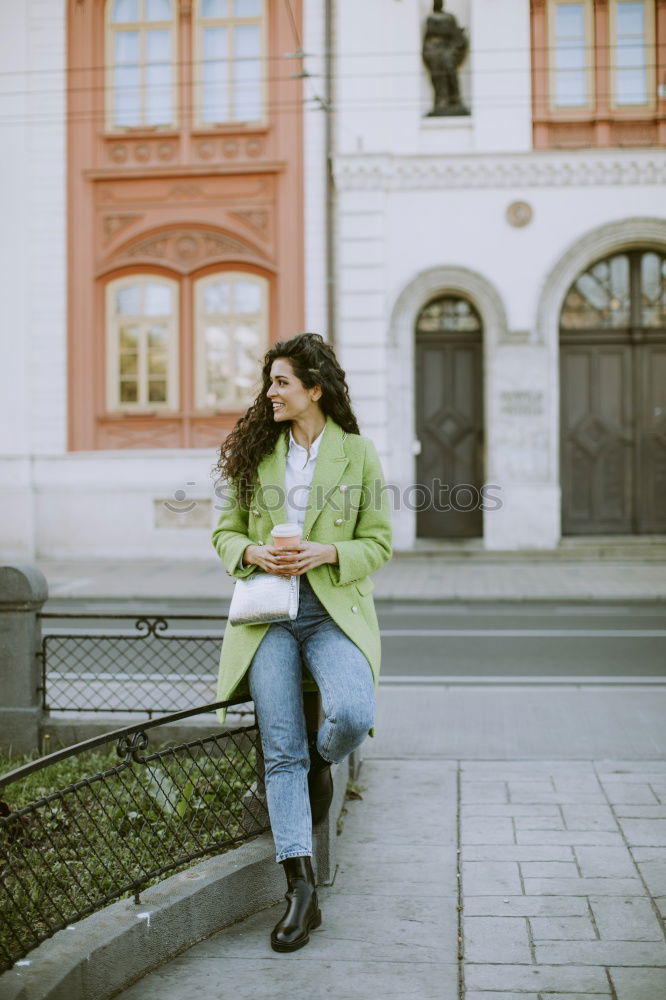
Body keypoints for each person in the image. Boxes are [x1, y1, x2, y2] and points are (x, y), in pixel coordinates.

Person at [211, 332, 392, 952]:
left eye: (281, 382)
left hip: (329, 610)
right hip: (268, 614)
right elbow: (224, 535)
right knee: (279, 749)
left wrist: (329, 551)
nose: (271, 393)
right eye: (270, 383)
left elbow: (380, 542)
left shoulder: (358, 454)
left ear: (314, 389)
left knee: (351, 713)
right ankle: (301, 890)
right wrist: (252, 551)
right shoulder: (257, 454)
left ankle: (321, 764)